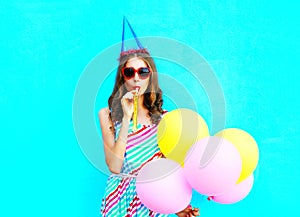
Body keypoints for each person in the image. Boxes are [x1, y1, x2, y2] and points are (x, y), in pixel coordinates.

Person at [98, 17, 200, 217]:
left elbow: (169, 170)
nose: (136, 77)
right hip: (119, 199)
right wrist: (126, 118)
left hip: (153, 198)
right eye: (130, 72)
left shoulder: (165, 119)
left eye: (143, 71)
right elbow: (115, 167)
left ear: (150, 76)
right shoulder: (107, 115)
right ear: (123, 76)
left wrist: (178, 206)